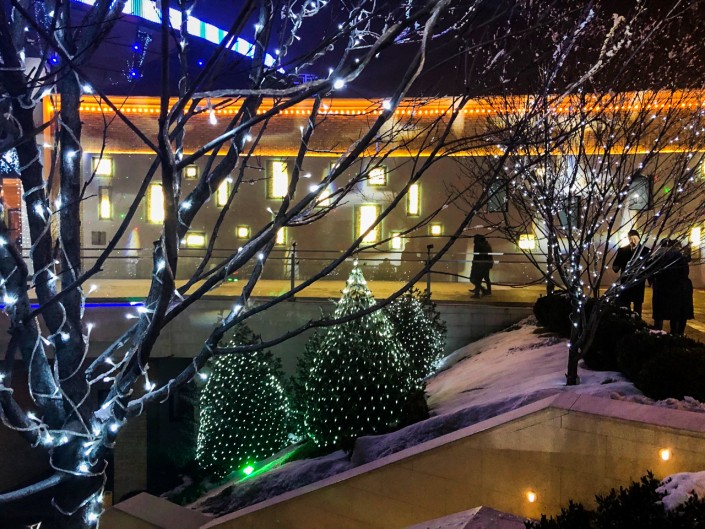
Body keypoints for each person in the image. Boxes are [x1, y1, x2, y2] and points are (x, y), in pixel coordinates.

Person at [651, 239, 693, 335]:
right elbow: (685, 272)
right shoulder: (680, 257)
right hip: (678, 289)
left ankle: (657, 335)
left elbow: (653, 273)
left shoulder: (658, 256)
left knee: (660, 316)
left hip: (661, 289)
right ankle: (676, 336)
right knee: (676, 316)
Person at [612, 229, 649, 315]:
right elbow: (616, 265)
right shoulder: (622, 250)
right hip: (626, 281)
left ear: (639, 239)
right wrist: (616, 267)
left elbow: (648, 266)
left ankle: (637, 320)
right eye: (631, 239)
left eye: (635, 239)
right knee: (625, 306)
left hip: (638, 282)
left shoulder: (645, 251)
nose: (633, 241)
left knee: (637, 306)